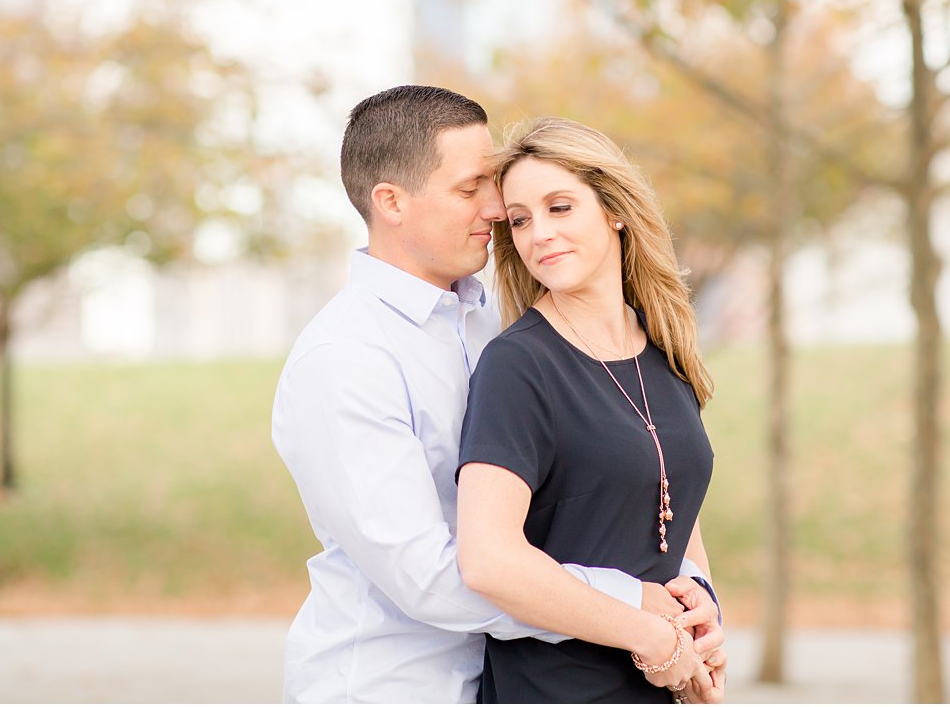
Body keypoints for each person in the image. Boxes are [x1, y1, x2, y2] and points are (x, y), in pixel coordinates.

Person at [271, 87, 722, 703]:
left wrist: (689, 597)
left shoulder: (492, 323)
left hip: (509, 675)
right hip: (393, 687)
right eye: (469, 189)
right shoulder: (344, 358)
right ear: (391, 202)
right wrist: (637, 610)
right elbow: (428, 576)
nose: (494, 208)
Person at [456, 116, 726, 704]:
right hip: (556, 686)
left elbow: (671, 500)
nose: (538, 235)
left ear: (615, 209)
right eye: (521, 220)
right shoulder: (517, 366)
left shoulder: (665, 347)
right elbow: (488, 560)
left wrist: (702, 605)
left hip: (660, 684)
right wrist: (654, 638)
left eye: (560, 207)